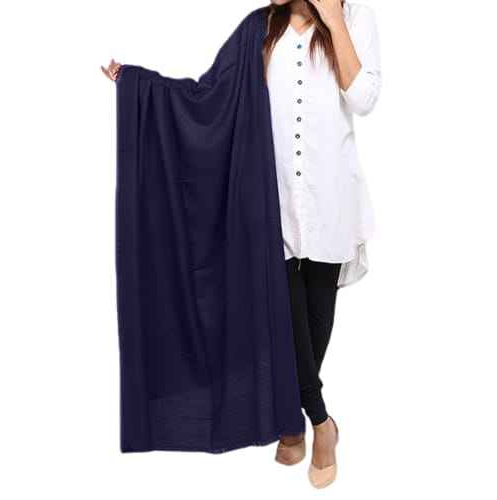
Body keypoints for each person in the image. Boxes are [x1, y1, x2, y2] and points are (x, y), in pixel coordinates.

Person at [102, 0, 381, 489]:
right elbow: (208, 93)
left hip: (330, 201)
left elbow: (363, 98)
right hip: (270, 204)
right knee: (286, 321)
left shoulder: (354, 17)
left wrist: (334, 19)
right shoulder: (259, 29)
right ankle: (320, 424)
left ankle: (291, 423)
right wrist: (140, 85)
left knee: (315, 323)